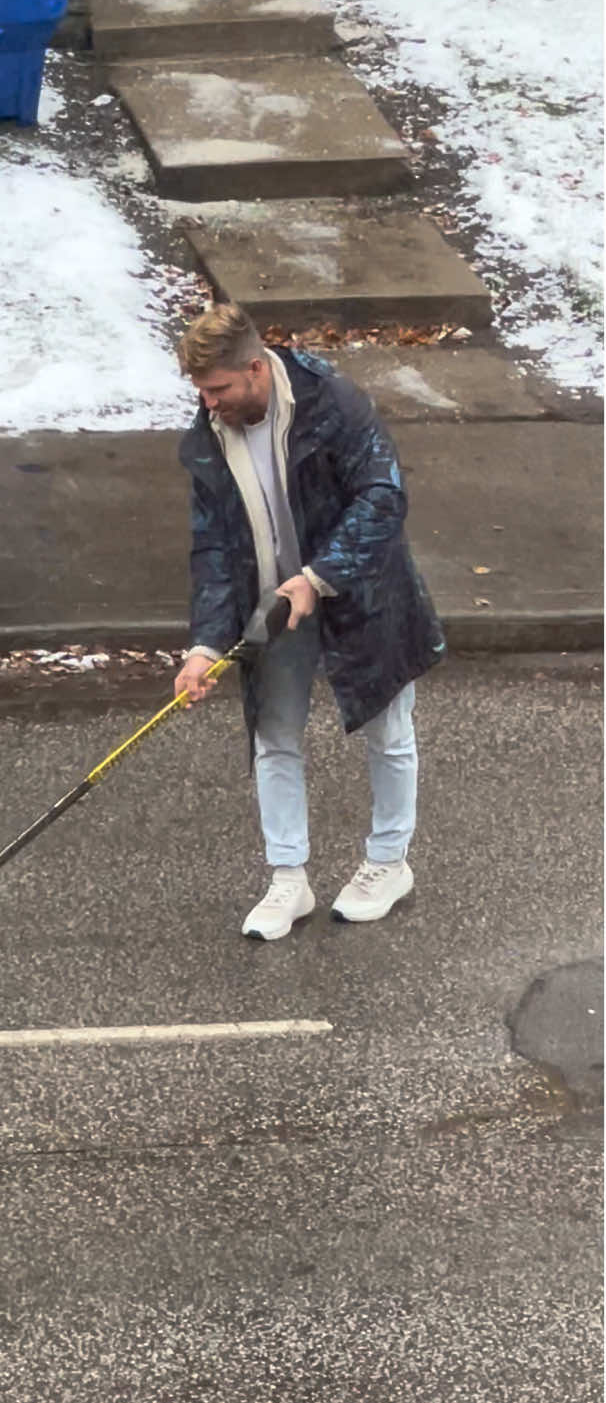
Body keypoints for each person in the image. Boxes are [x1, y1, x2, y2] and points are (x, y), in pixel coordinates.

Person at [173, 303, 446, 940]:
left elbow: (383, 497)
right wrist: (205, 644)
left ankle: (388, 862)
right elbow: (212, 546)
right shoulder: (211, 434)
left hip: (361, 592)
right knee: (274, 736)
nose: (209, 404)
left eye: (219, 389)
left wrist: (317, 577)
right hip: (272, 608)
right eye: (202, 392)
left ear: (255, 368)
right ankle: (287, 878)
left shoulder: (335, 404)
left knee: (388, 728)